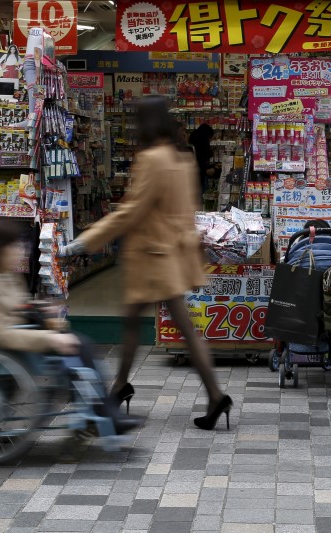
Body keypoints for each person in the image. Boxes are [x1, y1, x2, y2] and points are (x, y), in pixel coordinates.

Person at [62, 95, 233, 431]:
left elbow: (132, 211)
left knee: (141, 326)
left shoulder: (152, 159)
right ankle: (208, 395)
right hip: (171, 253)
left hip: (151, 256)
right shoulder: (180, 158)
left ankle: (129, 390)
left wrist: (85, 241)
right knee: (169, 326)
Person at [0, 220, 143, 435]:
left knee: (81, 348)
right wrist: (50, 339)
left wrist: (39, 309)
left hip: (19, 341)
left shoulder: (3, 276)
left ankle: (99, 413)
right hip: (6, 351)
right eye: (13, 246)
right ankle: (101, 415)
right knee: (78, 351)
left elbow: (15, 309)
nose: (19, 251)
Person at [188, 124, 219, 193]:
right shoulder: (201, 147)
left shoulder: (193, 144)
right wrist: (207, 169)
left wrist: (211, 166)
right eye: (210, 138)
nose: (210, 141)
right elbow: (200, 163)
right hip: (197, 178)